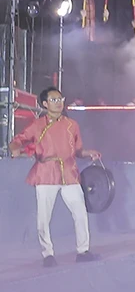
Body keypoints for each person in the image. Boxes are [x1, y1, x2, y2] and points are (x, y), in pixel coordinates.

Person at [13, 86, 95, 263]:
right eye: (54, 100)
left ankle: (83, 251)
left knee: (80, 212)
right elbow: (18, 140)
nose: (58, 103)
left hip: (69, 173)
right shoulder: (37, 125)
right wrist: (15, 149)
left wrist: (88, 153)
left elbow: (78, 150)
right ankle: (47, 254)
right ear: (44, 103)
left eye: (60, 99)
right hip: (46, 174)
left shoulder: (72, 125)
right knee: (44, 217)